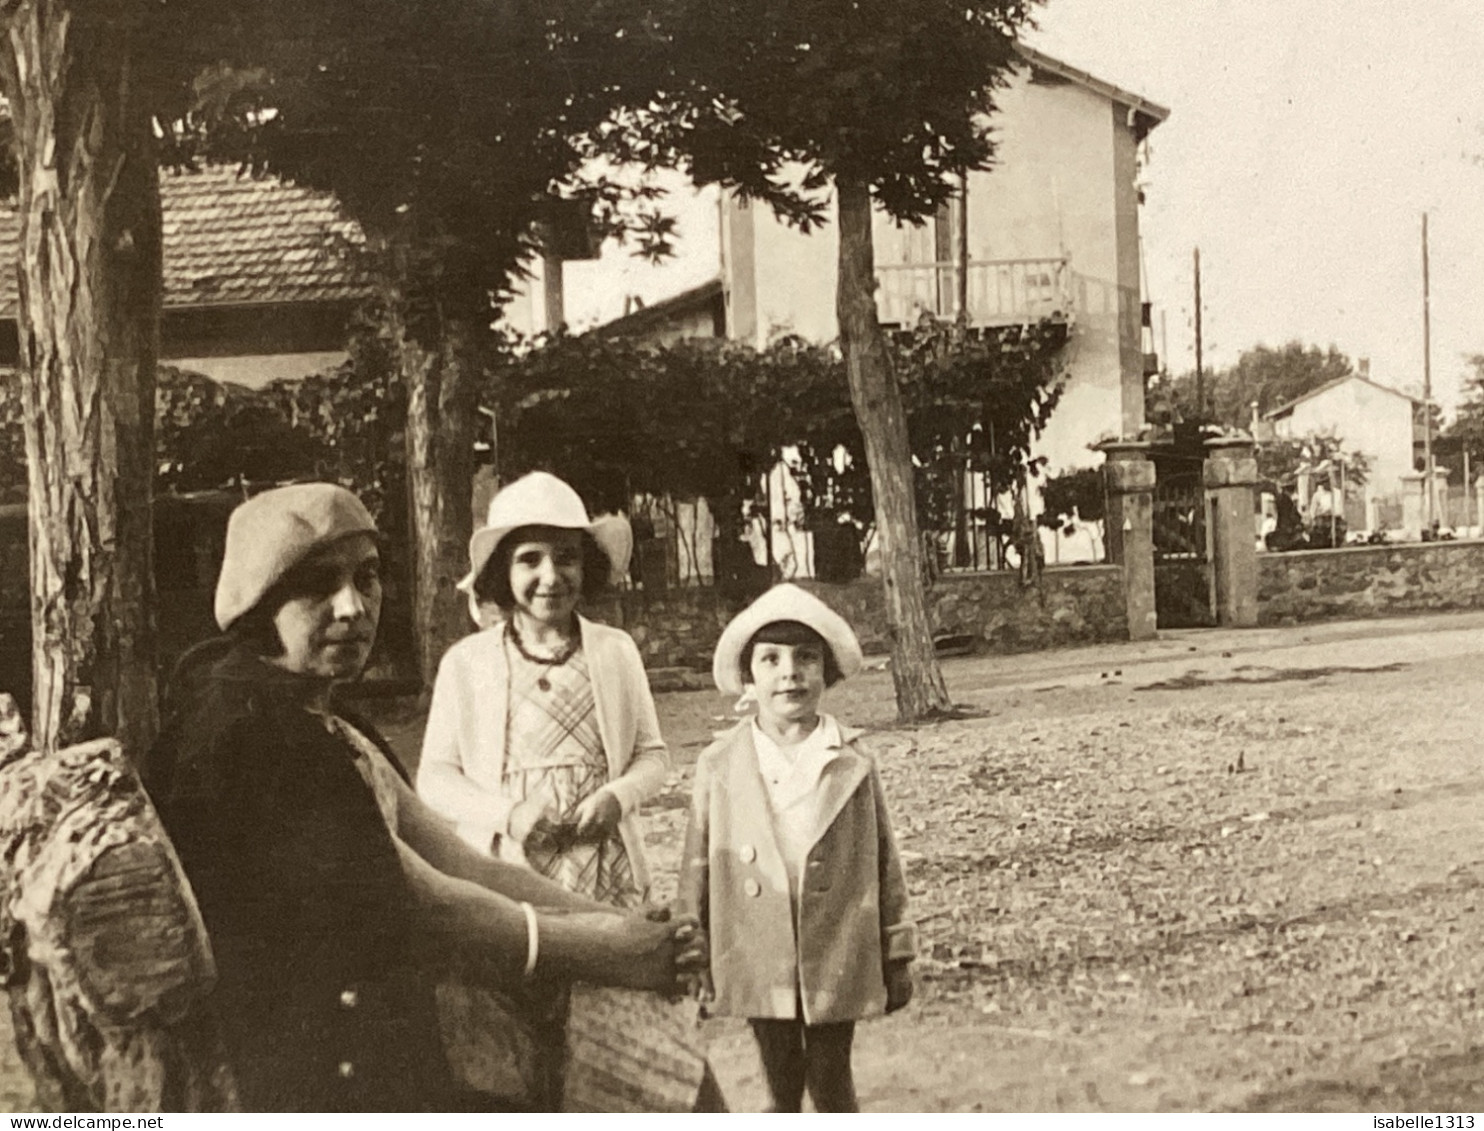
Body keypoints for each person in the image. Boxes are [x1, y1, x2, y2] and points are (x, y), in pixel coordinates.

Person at [145, 483, 701, 1112]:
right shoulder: (247, 737)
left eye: (367, 578)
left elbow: (460, 862)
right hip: (301, 1075)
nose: (353, 607)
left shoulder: (324, 717)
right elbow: (429, 908)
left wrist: (618, 924)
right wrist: (608, 951)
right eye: (318, 585)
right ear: (260, 603)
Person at [678, 584, 916, 1112]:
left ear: (827, 672)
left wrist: (897, 949)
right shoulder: (722, 762)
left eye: (806, 658)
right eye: (771, 659)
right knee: (779, 1076)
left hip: (835, 941)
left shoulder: (851, 759)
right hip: (756, 941)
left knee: (831, 1078)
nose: (790, 672)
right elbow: (698, 860)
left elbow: (884, 860)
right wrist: (691, 944)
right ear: (750, 676)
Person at [420, 471, 668, 910]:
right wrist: (508, 816)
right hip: (507, 869)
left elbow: (653, 756)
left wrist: (617, 797)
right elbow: (435, 778)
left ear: (585, 565)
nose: (550, 576)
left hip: (602, 863)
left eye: (566, 558)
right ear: (502, 571)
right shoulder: (467, 662)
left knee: (606, 966)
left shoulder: (615, 651)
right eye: (530, 560)